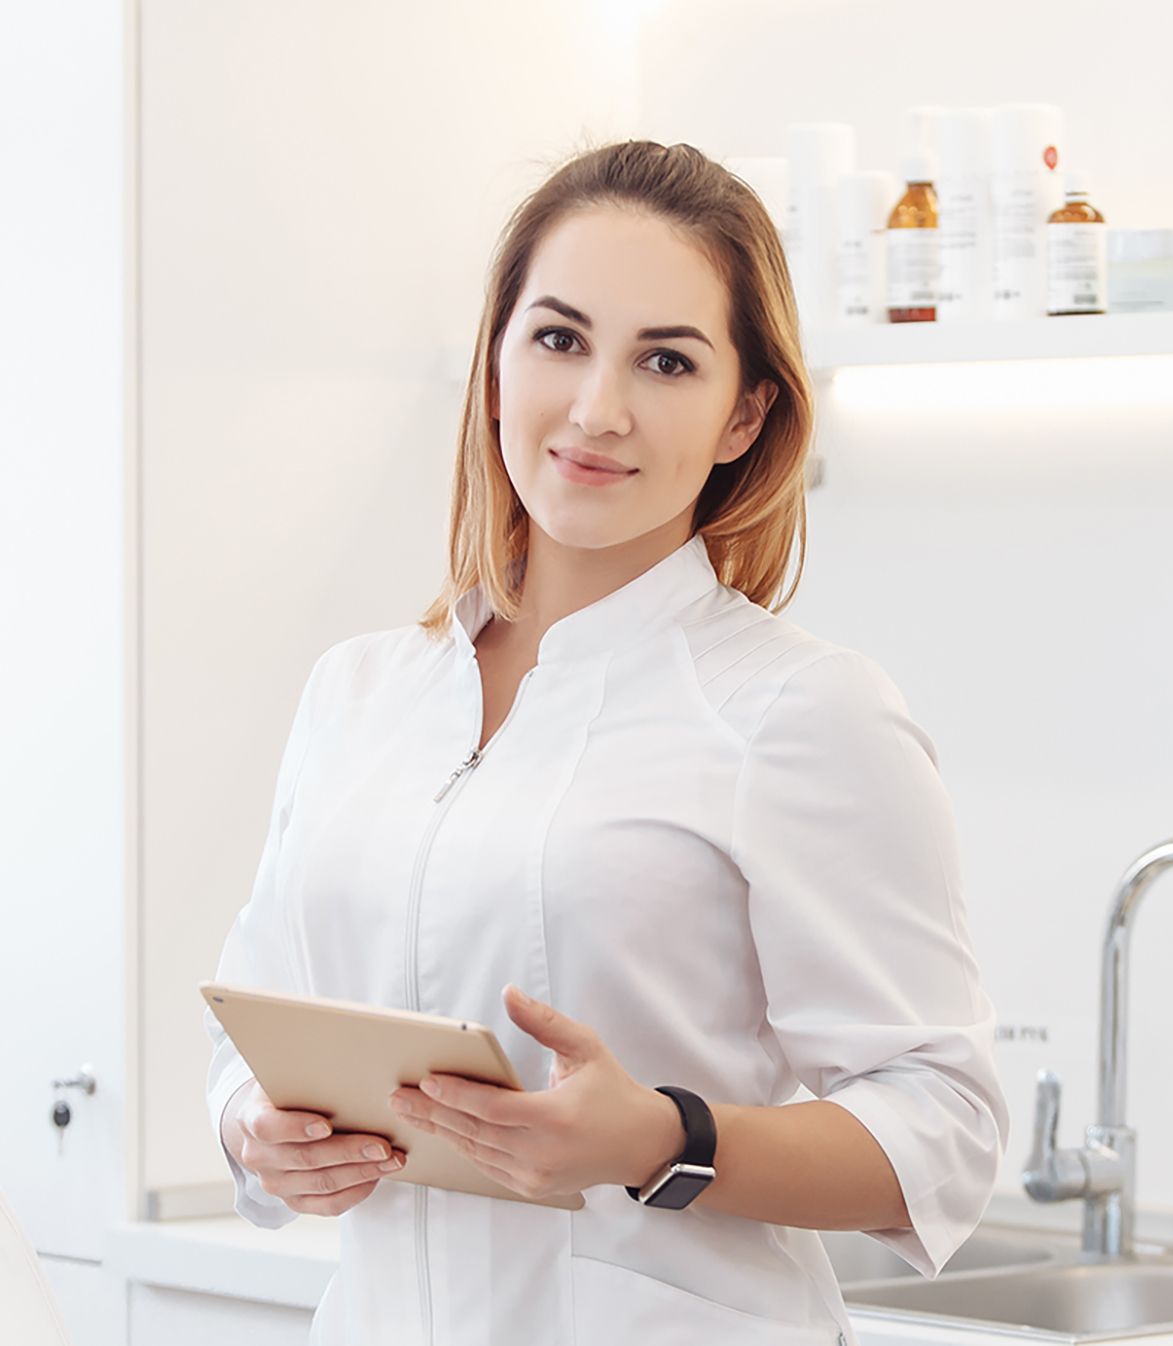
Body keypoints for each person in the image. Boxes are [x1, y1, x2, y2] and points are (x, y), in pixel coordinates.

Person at [204, 138, 1009, 1345]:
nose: (598, 409)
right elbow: (248, 1025)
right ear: (492, 367)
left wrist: (668, 1139)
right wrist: (256, 1134)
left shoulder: (801, 711)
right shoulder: (359, 691)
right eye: (560, 338)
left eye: (668, 360)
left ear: (745, 414)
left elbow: (944, 1126)